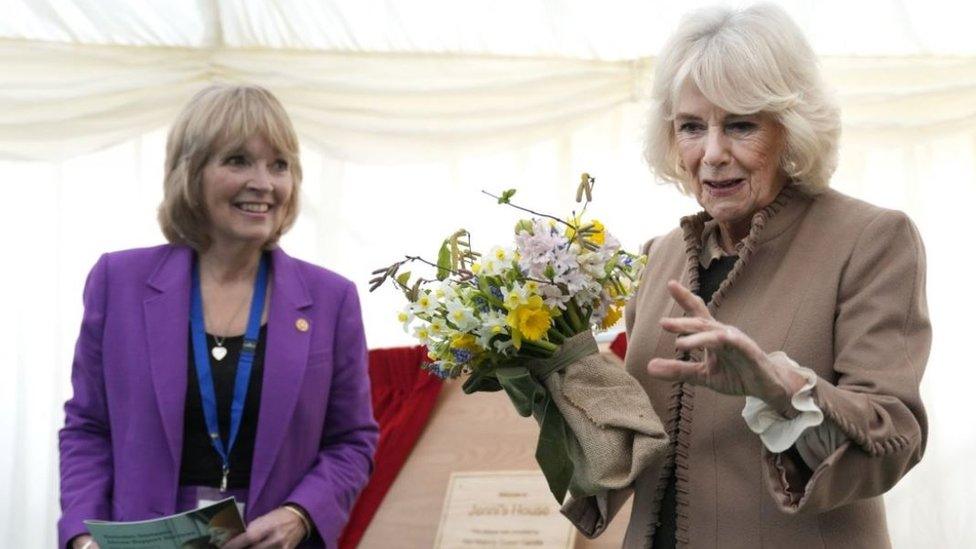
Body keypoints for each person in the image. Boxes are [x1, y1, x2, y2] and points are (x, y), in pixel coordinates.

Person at [562, 5, 930, 548]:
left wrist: (781, 389)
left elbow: (893, 438)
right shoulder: (658, 257)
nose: (712, 154)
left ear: (792, 129)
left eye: (740, 124)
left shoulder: (871, 240)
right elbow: (632, 445)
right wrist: (553, 369)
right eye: (691, 127)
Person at [58, 85, 379, 549]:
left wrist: (300, 513)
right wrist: (83, 537)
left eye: (279, 165)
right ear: (190, 173)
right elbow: (88, 428)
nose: (264, 183)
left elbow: (352, 440)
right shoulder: (118, 281)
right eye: (237, 161)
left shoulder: (332, 299)